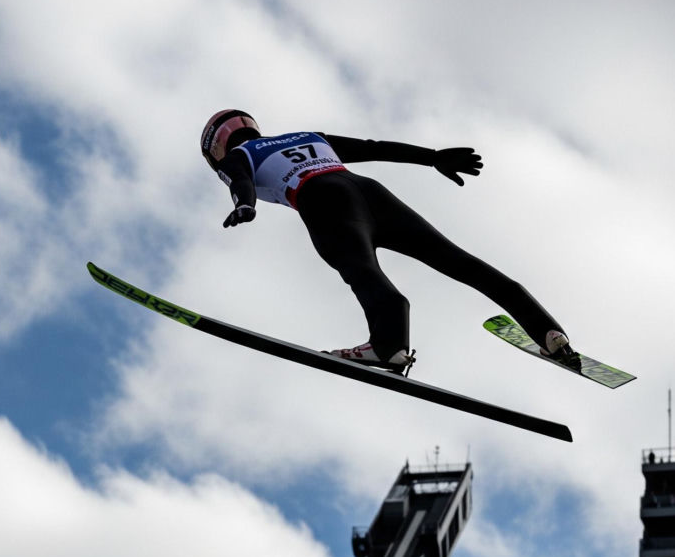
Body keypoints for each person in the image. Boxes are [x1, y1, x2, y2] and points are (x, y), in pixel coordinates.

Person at [200, 109, 575, 373]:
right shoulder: (307, 136)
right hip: (369, 191)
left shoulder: (239, 155)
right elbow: (373, 146)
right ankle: (548, 331)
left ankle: (387, 347)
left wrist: (245, 206)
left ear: (217, 146)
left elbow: (241, 182)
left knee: (361, 271)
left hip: (321, 199)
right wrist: (433, 157)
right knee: (457, 260)